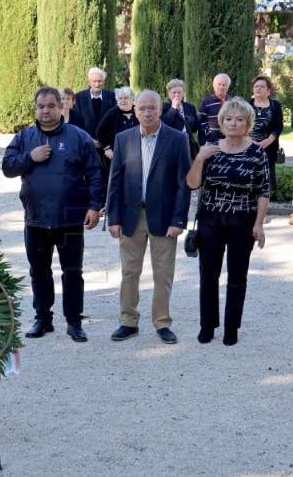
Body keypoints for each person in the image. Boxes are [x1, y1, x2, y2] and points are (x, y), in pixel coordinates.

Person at [2, 86, 107, 343]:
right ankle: (43, 319)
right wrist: (30, 157)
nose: (45, 111)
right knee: (39, 271)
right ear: (35, 108)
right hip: (36, 217)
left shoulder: (78, 137)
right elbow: (7, 167)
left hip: (70, 217)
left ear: (61, 107)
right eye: (41, 107)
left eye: (51, 106)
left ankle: (74, 321)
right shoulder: (24, 138)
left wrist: (95, 207)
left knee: (73, 271)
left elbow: (95, 173)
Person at [107, 90, 191, 344]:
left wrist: (179, 221)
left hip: (164, 218)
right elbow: (116, 181)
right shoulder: (123, 139)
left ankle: (162, 323)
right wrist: (113, 218)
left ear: (161, 110)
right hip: (130, 215)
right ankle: (128, 321)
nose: (146, 113)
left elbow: (183, 184)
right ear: (134, 111)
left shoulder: (177, 140)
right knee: (129, 273)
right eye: (141, 108)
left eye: (151, 108)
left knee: (163, 273)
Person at [186, 98, 270, 346]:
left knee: (237, 276)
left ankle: (231, 328)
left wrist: (259, 224)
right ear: (222, 122)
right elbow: (192, 184)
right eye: (229, 119)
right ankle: (207, 326)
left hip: (242, 224)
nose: (234, 123)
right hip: (211, 222)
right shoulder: (211, 149)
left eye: (239, 119)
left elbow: (263, 192)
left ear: (247, 123)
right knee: (208, 275)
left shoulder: (256, 153)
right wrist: (199, 158)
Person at [248, 74, 283, 191]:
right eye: (256, 86)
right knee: (248, 178)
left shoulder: (275, 105)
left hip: (269, 148)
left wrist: (267, 141)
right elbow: (241, 125)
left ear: (268, 90)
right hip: (248, 147)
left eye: (262, 86)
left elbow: (279, 126)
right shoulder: (247, 105)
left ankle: (264, 206)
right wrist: (251, 141)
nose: (258, 88)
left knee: (265, 182)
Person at [96, 86, 138, 173]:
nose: (122, 100)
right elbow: (100, 132)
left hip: (136, 156)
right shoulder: (112, 113)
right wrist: (107, 148)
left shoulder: (138, 111)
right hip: (116, 156)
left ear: (132, 99)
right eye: (120, 98)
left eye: (126, 98)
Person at [74, 67, 116, 148]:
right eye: (94, 81)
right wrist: (90, 139)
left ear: (103, 82)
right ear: (89, 82)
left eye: (99, 81)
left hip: (107, 145)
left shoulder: (111, 96)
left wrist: (103, 141)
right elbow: (77, 122)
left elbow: (113, 120)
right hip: (86, 143)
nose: (97, 84)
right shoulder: (79, 97)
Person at [160, 79, 200, 160]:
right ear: (169, 93)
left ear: (183, 93)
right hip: (170, 146)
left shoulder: (190, 107)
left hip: (187, 146)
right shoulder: (163, 107)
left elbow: (196, 126)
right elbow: (163, 124)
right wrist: (173, 108)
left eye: (179, 92)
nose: (177, 95)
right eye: (174, 92)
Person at [199, 73, 233, 145]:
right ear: (214, 85)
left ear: (228, 86)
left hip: (232, 142)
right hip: (212, 143)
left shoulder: (234, 102)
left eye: (224, 85)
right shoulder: (206, 102)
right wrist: (211, 139)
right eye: (219, 84)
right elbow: (203, 124)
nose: (221, 87)